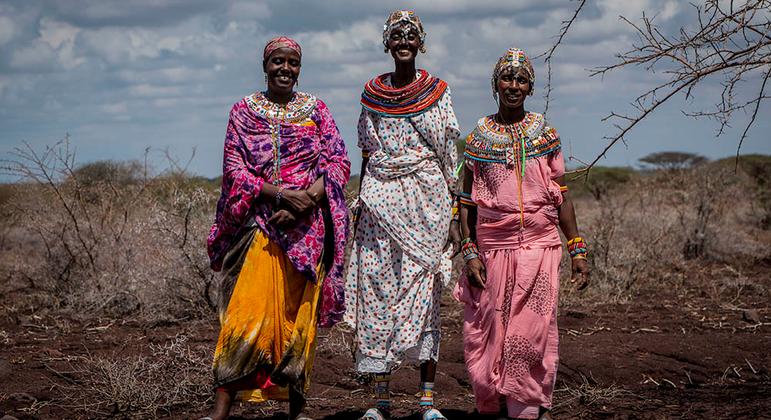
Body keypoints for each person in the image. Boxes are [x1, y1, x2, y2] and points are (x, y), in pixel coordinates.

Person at [204, 36, 350, 420]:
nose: (285, 69)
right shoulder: (243, 112)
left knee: (298, 319)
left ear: (300, 68)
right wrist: (283, 196)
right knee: (244, 315)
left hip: (308, 230)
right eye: (278, 62)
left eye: (293, 63)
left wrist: (310, 200)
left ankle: (297, 411)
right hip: (258, 226)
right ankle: (220, 410)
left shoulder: (316, 110)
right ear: (265, 65)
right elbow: (235, 170)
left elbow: (338, 163)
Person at [453, 48, 590, 420]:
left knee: (532, 331)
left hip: (540, 246)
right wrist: (468, 250)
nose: (513, 86)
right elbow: (466, 201)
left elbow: (562, 196)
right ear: (495, 84)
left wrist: (576, 248)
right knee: (490, 329)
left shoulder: (545, 135)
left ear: (530, 88)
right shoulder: (478, 139)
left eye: (521, 79)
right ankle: (496, 402)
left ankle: (529, 405)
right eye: (507, 78)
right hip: (492, 248)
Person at [344, 10, 460, 420]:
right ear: (388, 43)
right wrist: (361, 202)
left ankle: (427, 402)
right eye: (397, 36)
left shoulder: (438, 91)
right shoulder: (371, 93)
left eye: (412, 36)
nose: (404, 42)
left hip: (427, 203)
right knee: (378, 294)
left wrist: (454, 213)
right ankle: (380, 403)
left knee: (424, 296)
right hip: (378, 204)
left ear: (421, 43)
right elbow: (367, 151)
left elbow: (449, 153)